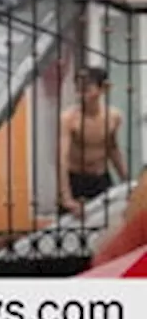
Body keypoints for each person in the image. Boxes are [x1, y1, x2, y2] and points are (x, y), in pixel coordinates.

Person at [58, 67, 130, 216]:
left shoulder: (113, 116)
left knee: (106, 227)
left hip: (101, 179)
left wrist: (127, 182)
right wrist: (67, 197)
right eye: (78, 89)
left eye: (86, 89)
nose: (81, 94)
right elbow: (62, 159)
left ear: (104, 88)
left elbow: (113, 149)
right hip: (76, 180)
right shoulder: (69, 118)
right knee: (72, 231)